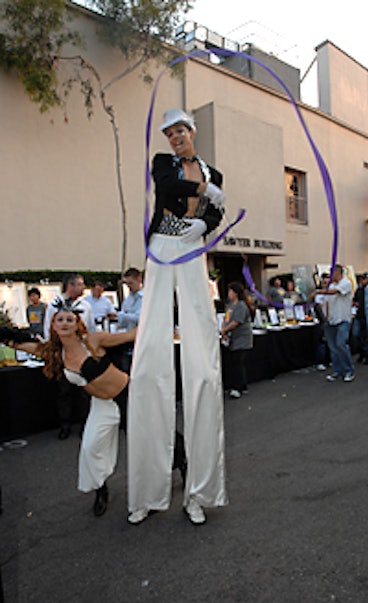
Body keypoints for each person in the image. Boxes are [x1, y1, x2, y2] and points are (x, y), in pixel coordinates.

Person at [126, 108, 228, 525]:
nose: (175, 138)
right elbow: (168, 186)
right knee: (150, 360)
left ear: (192, 131)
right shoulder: (163, 163)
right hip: (162, 247)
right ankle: (145, 494)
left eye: (180, 132)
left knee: (203, 365)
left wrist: (203, 222)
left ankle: (198, 494)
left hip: (191, 249)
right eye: (170, 133)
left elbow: (217, 214)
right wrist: (207, 191)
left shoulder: (213, 171)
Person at [1, 299, 136, 517]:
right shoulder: (53, 353)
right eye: (59, 320)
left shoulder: (94, 340)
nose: (64, 323)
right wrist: (4, 334)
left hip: (130, 397)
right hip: (103, 405)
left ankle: (181, 464)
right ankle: (101, 489)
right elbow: (16, 343)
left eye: (69, 320)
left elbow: (131, 335)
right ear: (53, 326)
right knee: (90, 448)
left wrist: (159, 314)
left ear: (78, 325)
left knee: (150, 440)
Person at [44, 273, 96, 440]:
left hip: (81, 353)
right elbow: (48, 329)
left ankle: (85, 425)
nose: (83, 287)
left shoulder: (85, 306)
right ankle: (65, 426)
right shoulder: (54, 305)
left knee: (84, 391)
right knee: (63, 391)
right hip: (62, 353)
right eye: (80, 284)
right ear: (71, 286)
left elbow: (91, 329)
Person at [221, 282, 254, 398]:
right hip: (232, 338)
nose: (229, 293)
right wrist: (223, 329)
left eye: (230, 291)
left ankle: (238, 387)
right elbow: (226, 319)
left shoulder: (241, 305)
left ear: (235, 293)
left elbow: (236, 322)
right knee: (235, 362)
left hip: (242, 338)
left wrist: (225, 330)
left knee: (238, 362)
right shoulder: (230, 305)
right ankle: (241, 385)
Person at [323, 264, 355, 382]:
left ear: (338, 272)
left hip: (343, 320)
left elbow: (334, 292)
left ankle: (349, 370)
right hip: (331, 321)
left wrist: (317, 292)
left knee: (341, 344)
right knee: (333, 347)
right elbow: (327, 303)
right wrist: (326, 318)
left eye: (333, 272)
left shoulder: (346, 283)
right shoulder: (331, 285)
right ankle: (337, 371)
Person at [352, 272, 368, 364]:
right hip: (359, 315)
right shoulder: (359, 290)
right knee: (356, 335)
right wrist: (355, 304)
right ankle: (361, 353)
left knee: (366, 336)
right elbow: (354, 300)